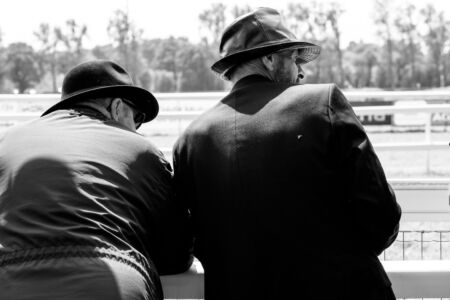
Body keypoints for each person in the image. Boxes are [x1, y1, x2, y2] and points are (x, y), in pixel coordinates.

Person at [173, 7, 401, 300]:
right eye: (294, 60)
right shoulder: (322, 102)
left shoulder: (190, 140)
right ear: (268, 59)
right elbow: (380, 216)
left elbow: (193, 241)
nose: (301, 71)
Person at [0, 60, 193, 300]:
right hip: (112, 283)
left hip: (10, 282)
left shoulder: (8, 140)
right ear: (117, 108)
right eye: (138, 117)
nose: (137, 128)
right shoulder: (139, 149)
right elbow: (176, 254)